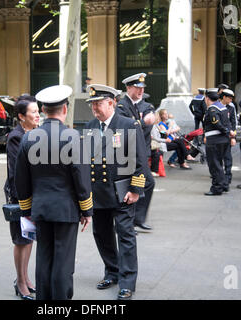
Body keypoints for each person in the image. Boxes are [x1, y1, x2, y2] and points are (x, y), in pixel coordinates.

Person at [15, 85, 93, 300]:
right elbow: (81, 178)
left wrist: (27, 208)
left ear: (42, 110)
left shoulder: (28, 138)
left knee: (44, 258)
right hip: (66, 209)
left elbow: (20, 179)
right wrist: (86, 210)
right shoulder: (74, 137)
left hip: (40, 208)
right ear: (65, 109)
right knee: (63, 262)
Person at [84, 84, 147, 300]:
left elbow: (140, 160)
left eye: (98, 103)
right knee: (101, 234)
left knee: (125, 235)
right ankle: (112, 271)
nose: (94, 107)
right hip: (98, 192)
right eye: (92, 103)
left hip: (122, 192)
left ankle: (127, 281)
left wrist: (136, 189)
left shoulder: (128, 124)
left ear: (111, 103)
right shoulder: (90, 125)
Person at [4, 94, 40, 300]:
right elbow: (18, 172)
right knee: (20, 240)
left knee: (29, 238)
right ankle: (20, 282)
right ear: (21, 116)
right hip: (21, 196)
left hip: (34, 194)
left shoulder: (35, 132)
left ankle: (26, 278)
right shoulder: (16, 137)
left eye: (37, 111)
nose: (37, 115)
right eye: (33, 112)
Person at [116, 73, 155, 231]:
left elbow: (146, 127)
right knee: (130, 186)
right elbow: (125, 128)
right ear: (128, 87)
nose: (140, 91)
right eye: (137, 88)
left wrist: (140, 124)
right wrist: (141, 122)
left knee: (147, 183)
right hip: (126, 153)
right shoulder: (121, 106)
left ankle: (137, 219)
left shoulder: (146, 105)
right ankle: (127, 222)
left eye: (142, 88)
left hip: (141, 152)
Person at [203, 89, 235, 196]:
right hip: (223, 140)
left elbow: (216, 123)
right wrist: (229, 133)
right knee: (219, 164)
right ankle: (224, 185)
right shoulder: (223, 108)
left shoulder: (212, 109)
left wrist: (226, 131)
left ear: (207, 98)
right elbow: (228, 122)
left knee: (214, 165)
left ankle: (217, 188)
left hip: (214, 140)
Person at [219, 88, 237, 187]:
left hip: (227, 136)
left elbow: (233, 123)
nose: (231, 100)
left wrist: (233, 137)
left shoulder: (231, 108)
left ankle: (228, 177)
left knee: (227, 157)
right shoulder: (216, 106)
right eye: (229, 98)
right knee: (218, 158)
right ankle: (219, 176)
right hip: (217, 136)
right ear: (224, 97)